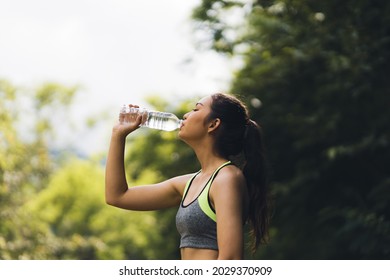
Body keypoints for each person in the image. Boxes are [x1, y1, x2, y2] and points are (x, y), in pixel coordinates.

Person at [105, 92, 270, 260]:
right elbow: (117, 196)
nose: (185, 115)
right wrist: (118, 135)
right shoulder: (190, 183)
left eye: (195, 109)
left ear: (213, 124)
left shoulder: (226, 178)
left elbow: (231, 258)